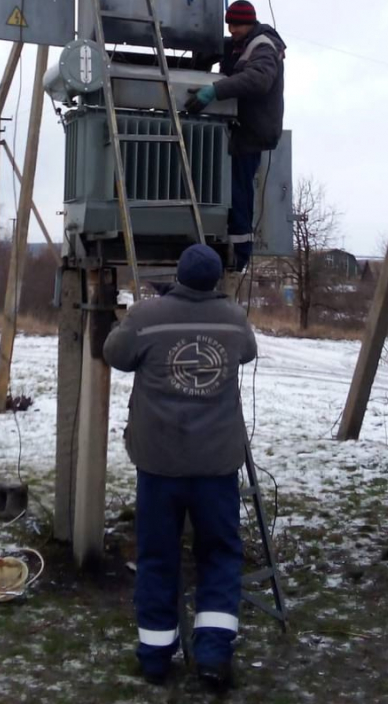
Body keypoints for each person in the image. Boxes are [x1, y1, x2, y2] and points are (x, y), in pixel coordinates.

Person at [103, 244, 257, 690]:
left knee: (157, 556)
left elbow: (115, 355)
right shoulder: (233, 318)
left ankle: (155, 656)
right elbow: (245, 353)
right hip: (217, 464)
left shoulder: (148, 316)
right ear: (216, 281)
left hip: (159, 463)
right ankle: (213, 655)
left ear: (179, 276)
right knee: (220, 555)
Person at [186, 0, 285, 271]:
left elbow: (259, 79)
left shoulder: (263, 46)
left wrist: (213, 91)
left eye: (236, 25)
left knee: (238, 195)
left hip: (250, 133)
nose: (232, 30)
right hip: (238, 129)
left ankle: (238, 257)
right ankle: (221, 245)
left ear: (249, 23)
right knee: (226, 190)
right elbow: (226, 51)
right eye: (229, 25)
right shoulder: (242, 44)